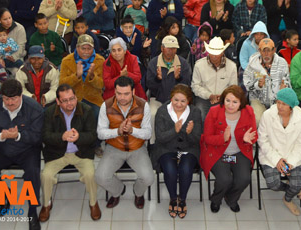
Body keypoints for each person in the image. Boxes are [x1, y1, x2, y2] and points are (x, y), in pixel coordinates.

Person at [0, 79, 43, 230]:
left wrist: (18, 136)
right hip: (1, 146)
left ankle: (32, 211)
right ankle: (3, 196)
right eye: (6, 99)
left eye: (14, 99)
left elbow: (37, 136)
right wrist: (1, 135)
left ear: (21, 96)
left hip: (27, 148)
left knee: (33, 174)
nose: (10, 103)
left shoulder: (34, 108)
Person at [40, 83, 101, 222]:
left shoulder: (86, 110)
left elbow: (92, 135)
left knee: (90, 174)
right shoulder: (49, 113)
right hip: (57, 154)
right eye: (65, 100)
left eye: (72, 98)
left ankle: (93, 203)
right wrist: (61, 137)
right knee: (46, 176)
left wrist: (79, 137)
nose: (70, 103)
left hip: (81, 152)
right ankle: (46, 204)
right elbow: (45, 136)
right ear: (57, 101)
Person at [95, 76, 153, 209]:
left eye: (126, 94)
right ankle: (118, 191)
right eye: (119, 93)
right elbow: (101, 133)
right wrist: (117, 132)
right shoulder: (106, 105)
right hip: (115, 147)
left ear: (133, 92)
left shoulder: (144, 105)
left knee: (149, 178)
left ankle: (138, 193)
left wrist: (132, 131)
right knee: (100, 177)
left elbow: (148, 133)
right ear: (114, 91)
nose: (122, 97)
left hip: (137, 147)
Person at [200, 85, 257, 213]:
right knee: (224, 180)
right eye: (228, 101)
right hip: (218, 152)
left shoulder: (248, 112)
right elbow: (207, 138)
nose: (230, 105)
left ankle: (231, 198)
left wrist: (247, 140)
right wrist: (223, 139)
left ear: (241, 103)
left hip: (239, 152)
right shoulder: (214, 112)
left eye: (235, 102)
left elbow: (254, 135)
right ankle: (216, 200)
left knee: (244, 179)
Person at [150, 84, 202, 218]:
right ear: (171, 98)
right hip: (166, 147)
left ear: (188, 101)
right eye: (176, 100)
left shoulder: (195, 112)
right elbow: (160, 137)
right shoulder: (162, 111)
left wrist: (189, 133)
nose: (178, 104)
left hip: (189, 148)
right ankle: (173, 198)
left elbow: (196, 139)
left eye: (183, 101)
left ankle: (182, 199)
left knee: (186, 169)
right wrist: (175, 130)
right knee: (170, 170)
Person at [258, 88, 301, 215]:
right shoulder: (268, 115)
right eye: (278, 102)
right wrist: (277, 160)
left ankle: (288, 199)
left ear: (291, 106)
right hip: (271, 156)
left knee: (297, 184)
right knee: (273, 184)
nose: (279, 106)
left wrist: (289, 163)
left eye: (283, 104)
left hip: (292, 157)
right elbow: (262, 140)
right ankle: (290, 188)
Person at [244, 38, 291, 123]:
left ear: (274, 50)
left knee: (279, 120)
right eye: (263, 51)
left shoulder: (282, 63)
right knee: (257, 119)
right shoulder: (252, 64)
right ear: (259, 51)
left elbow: (288, 83)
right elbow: (246, 84)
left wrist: (284, 88)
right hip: (258, 100)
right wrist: (257, 85)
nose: (266, 54)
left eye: (269, 50)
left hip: (277, 100)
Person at [146, 35, 192, 122]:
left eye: (174, 48)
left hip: (178, 100)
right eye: (168, 48)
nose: (171, 51)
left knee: (186, 115)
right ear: (162, 48)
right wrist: (157, 79)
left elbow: (187, 86)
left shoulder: (183, 63)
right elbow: (150, 86)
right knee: (152, 114)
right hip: (157, 99)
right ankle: (154, 136)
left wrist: (178, 78)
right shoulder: (153, 63)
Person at [192, 37, 238, 121]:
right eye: (212, 53)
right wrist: (209, 95)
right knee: (200, 113)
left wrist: (223, 96)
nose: (214, 56)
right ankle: (203, 134)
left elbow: (233, 87)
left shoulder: (232, 66)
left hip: (225, 99)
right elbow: (195, 86)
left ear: (222, 52)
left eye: (217, 53)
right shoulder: (199, 65)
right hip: (204, 99)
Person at [59, 34, 104, 116]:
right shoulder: (67, 61)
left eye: (89, 49)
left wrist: (92, 77)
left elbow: (101, 85)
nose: (86, 52)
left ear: (93, 48)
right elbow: (62, 85)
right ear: (77, 48)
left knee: (98, 114)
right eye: (83, 48)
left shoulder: (100, 60)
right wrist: (76, 76)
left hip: (93, 100)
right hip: (72, 100)